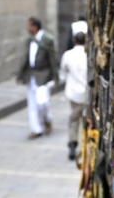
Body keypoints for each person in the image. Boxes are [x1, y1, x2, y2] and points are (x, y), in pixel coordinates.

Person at [16, 16, 59, 140]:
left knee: (42, 102)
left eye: (29, 25)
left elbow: (52, 58)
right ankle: (36, 129)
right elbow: (25, 58)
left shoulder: (47, 39)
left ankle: (47, 120)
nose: (27, 28)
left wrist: (55, 75)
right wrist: (20, 75)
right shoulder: (30, 40)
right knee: (32, 104)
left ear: (35, 27)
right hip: (31, 76)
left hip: (44, 75)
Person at [60, 31, 90, 160]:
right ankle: (86, 146)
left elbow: (63, 70)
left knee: (74, 119)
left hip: (74, 94)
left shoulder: (68, 54)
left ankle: (73, 143)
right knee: (87, 120)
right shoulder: (88, 54)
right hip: (87, 93)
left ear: (74, 40)